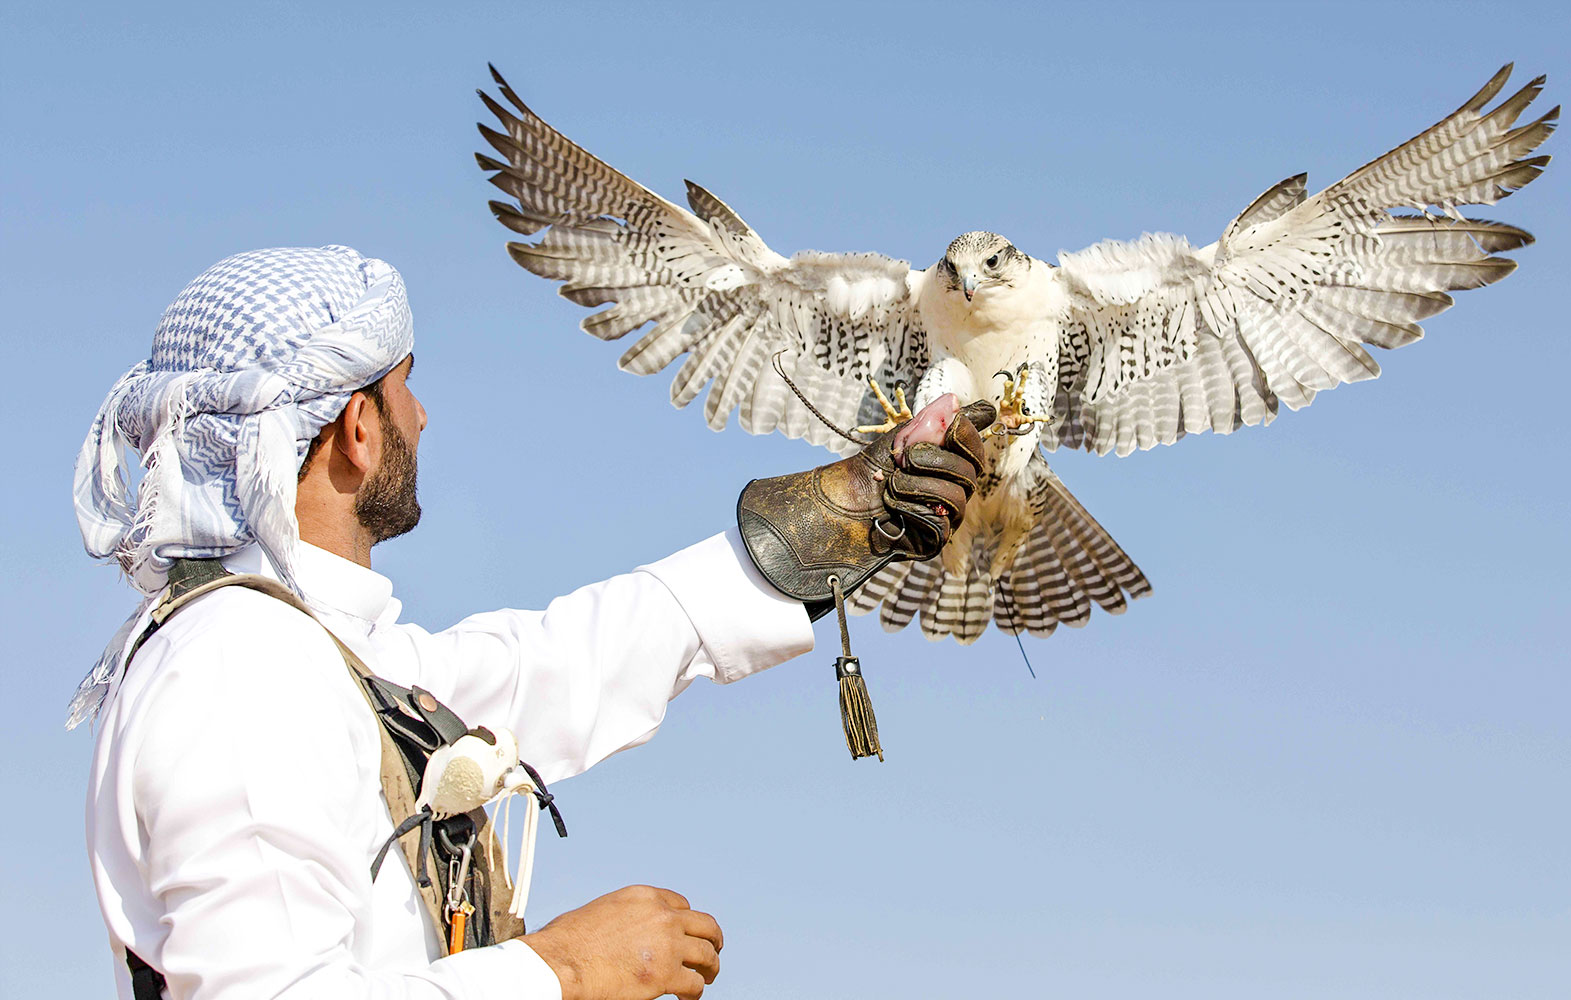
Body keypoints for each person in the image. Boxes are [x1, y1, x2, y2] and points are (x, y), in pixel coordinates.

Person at [73, 246, 992, 999]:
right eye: (405, 390)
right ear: (358, 427)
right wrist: (562, 967)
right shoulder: (239, 670)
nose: (422, 418)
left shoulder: (320, 656)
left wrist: (846, 513)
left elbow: (554, 665)